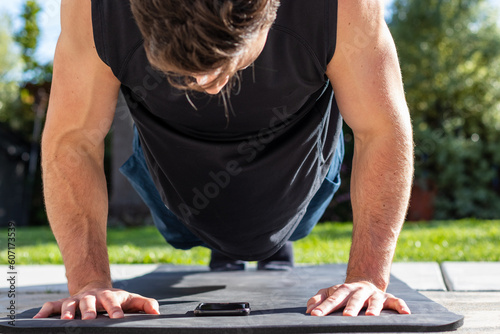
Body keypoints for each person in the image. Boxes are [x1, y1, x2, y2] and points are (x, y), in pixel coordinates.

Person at [35, 0, 414, 320]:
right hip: (169, 161)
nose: (203, 85)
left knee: (280, 226)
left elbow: (381, 128)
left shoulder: (341, 7)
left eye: (219, 66)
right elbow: (73, 141)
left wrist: (368, 277)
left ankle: (266, 239)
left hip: (301, 159)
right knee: (186, 228)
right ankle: (227, 239)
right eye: (182, 69)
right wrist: (89, 282)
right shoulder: (94, 7)